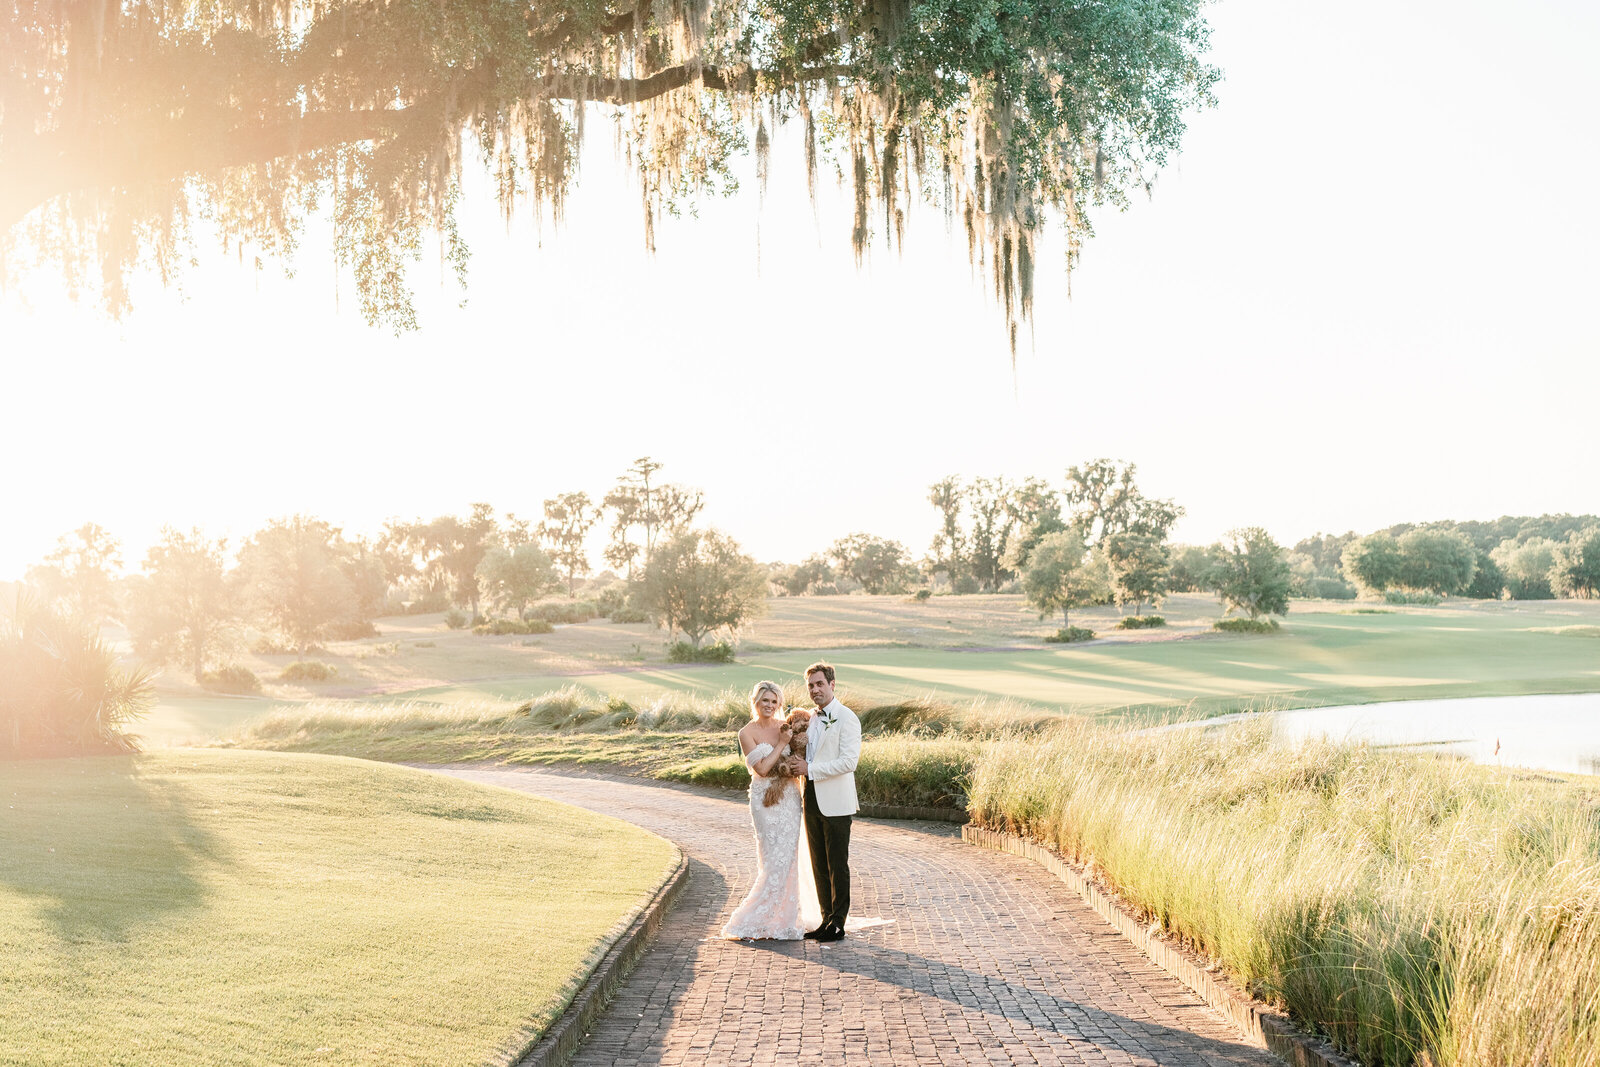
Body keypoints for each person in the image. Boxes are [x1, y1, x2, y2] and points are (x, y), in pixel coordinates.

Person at [719, 680, 822, 939]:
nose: (770, 705)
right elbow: (762, 769)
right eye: (765, 700)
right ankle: (758, 916)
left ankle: (786, 917)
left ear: (779, 704)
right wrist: (781, 743)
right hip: (764, 799)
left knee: (788, 856)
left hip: (789, 797)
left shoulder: (785, 726)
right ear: (756, 702)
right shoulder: (746, 732)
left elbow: (800, 756)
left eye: (774, 701)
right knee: (772, 857)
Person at [795, 661, 860, 942]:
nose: (815, 690)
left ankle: (838, 923)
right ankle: (825, 919)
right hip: (810, 797)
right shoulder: (809, 718)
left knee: (837, 864)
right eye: (811, 685)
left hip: (836, 801)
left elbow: (848, 762)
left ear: (832, 685)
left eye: (820, 684)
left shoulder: (847, 718)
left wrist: (810, 769)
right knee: (818, 864)